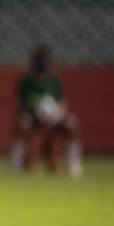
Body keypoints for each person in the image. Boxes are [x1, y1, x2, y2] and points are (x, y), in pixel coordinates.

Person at [9, 46, 83, 178]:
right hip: (33, 116)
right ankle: (17, 163)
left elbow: (62, 102)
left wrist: (57, 115)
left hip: (54, 116)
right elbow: (20, 104)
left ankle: (74, 163)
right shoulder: (26, 80)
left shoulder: (54, 80)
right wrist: (35, 112)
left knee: (72, 124)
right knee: (22, 124)